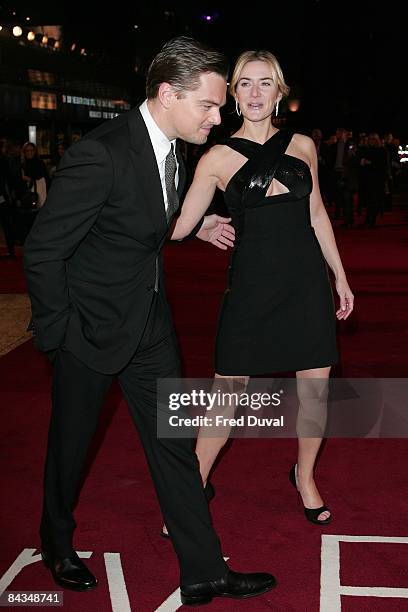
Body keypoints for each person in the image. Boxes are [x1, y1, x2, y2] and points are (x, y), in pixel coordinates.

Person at [23, 37, 276, 606]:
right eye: (209, 106)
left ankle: (205, 571)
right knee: (71, 447)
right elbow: (43, 251)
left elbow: (130, 220)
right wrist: (59, 333)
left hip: (150, 325)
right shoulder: (101, 153)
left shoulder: (172, 149)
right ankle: (56, 544)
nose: (219, 116)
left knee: (174, 445)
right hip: (88, 330)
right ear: (167, 94)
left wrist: (196, 224)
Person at [170, 49, 354, 529]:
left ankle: (306, 476)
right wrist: (202, 226)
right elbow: (178, 225)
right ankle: (193, 488)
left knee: (315, 394)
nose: (254, 93)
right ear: (233, 94)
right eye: (245, 84)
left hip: (305, 285)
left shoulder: (304, 147)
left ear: (279, 93)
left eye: (264, 83)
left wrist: (340, 276)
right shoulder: (215, 157)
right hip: (251, 291)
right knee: (224, 394)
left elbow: (316, 217)